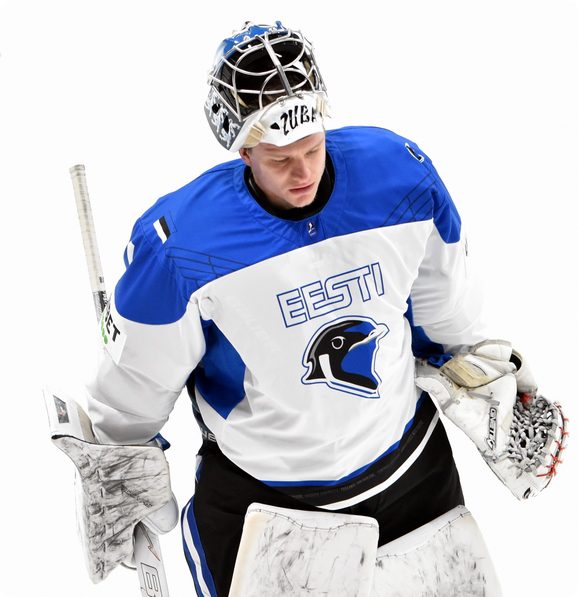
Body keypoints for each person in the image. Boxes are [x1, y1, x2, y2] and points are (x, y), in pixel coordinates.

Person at [82, 21, 566, 596]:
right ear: (243, 150)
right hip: (265, 503)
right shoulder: (181, 247)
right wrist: (117, 464)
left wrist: (484, 371)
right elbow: (138, 381)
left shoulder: (401, 181)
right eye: (279, 157)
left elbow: (446, 315)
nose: (304, 172)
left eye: (313, 148)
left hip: (410, 474)